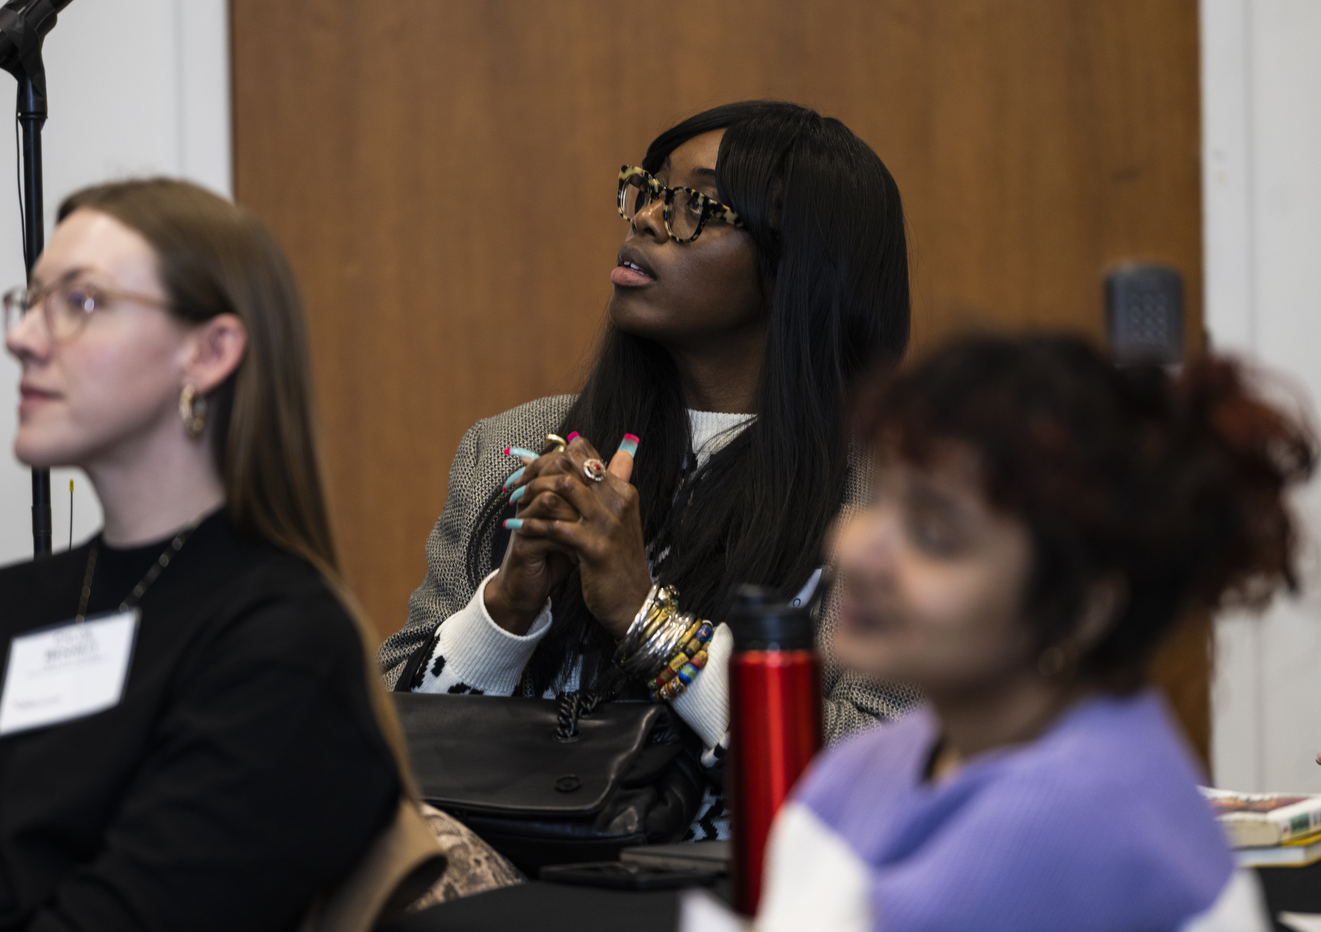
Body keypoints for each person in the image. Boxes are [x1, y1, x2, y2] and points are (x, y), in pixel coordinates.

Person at [380, 100, 917, 838]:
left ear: (800, 265)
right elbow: (390, 744)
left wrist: (646, 617)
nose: (648, 219)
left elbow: (888, 776)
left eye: (696, 204)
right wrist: (507, 609)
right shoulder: (513, 446)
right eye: (649, 190)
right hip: (505, 880)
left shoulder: (893, 498)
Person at [0, 179, 416, 932]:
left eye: (80, 302)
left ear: (211, 352)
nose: (21, 337)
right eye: (31, 302)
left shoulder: (283, 647)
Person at [747, 334, 1313, 931]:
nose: (859, 552)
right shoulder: (886, 757)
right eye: (878, 499)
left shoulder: (1064, 821)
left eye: (934, 536)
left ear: (1079, 610)